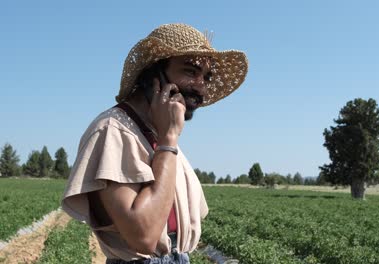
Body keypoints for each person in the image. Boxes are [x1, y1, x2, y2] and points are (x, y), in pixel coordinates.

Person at [61, 23, 248, 264]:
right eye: (190, 71)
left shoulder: (158, 134)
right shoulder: (115, 131)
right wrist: (169, 140)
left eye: (207, 77)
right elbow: (143, 236)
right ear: (154, 74)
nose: (201, 86)